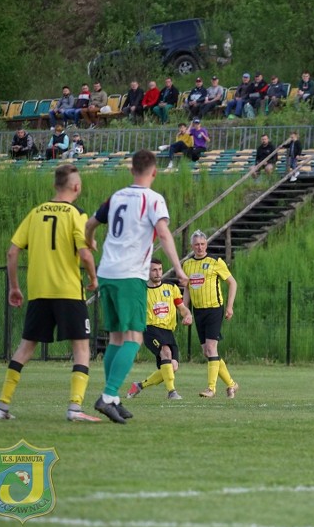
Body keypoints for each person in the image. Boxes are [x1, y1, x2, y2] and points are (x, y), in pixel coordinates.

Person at [85, 149, 188, 424]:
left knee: (117, 338)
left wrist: (90, 240)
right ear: (154, 172)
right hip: (130, 275)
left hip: (106, 272)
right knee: (134, 338)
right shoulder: (153, 199)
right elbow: (164, 234)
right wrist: (178, 269)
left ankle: (114, 398)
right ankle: (107, 397)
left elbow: (91, 223)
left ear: (132, 170)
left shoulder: (117, 197)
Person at [0, 164, 100, 422]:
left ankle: (1, 406)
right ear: (77, 186)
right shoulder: (76, 214)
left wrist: (15, 287)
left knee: (25, 347)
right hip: (68, 292)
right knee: (81, 348)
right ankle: (74, 408)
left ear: (55, 185)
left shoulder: (35, 213)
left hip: (40, 293)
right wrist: (93, 278)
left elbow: (12, 252)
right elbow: (85, 253)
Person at [182, 230, 239, 399]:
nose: (199, 247)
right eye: (196, 245)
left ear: (206, 244)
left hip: (214, 309)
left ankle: (211, 388)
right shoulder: (187, 264)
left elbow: (232, 283)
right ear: (192, 246)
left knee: (211, 347)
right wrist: (185, 309)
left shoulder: (215, 262)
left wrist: (229, 307)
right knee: (207, 352)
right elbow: (187, 288)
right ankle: (231, 384)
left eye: (202, 244)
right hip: (198, 311)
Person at [126, 258, 193, 400]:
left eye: (160, 269)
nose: (158, 273)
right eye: (154, 270)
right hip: (150, 329)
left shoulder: (171, 288)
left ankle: (139, 386)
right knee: (166, 352)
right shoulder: (141, 291)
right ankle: (172, 392)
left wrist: (187, 315)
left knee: (172, 367)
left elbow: (182, 308)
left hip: (168, 331)